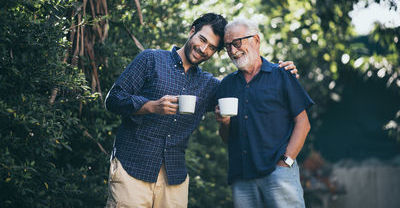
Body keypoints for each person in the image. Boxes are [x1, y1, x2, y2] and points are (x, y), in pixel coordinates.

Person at [104, 13, 298, 208]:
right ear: (192, 32)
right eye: (202, 39)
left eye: (212, 47)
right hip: (132, 167)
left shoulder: (210, 86)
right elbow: (113, 99)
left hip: (174, 177)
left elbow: (249, 90)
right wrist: (151, 106)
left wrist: (279, 72)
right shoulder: (151, 59)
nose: (203, 49)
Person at [216, 18, 314, 208]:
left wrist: (285, 162)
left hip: (278, 174)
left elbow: (303, 123)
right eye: (227, 47)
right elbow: (227, 138)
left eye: (237, 43)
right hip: (242, 178)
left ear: (256, 40)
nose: (232, 51)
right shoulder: (227, 85)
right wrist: (224, 123)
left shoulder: (282, 74)